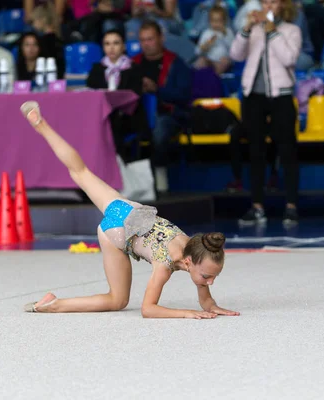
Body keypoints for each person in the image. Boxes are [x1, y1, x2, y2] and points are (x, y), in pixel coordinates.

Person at [20, 101, 239, 319]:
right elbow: (148, 309)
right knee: (117, 300)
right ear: (189, 262)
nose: (210, 282)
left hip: (128, 210)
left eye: (212, 278)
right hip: (115, 229)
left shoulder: (197, 247)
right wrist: (185, 313)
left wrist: (210, 304)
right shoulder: (165, 264)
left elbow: (204, 289)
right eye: (208, 277)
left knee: (81, 172)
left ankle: (41, 124)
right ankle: (55, 305)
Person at [229, 0, 301, 226]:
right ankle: (257, 206)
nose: (268, 6)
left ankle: (291, 206)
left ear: (282, 6)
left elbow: (289, 58)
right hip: (254, 97)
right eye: (265, 2)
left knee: (287, 149)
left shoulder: (291, 30)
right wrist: (246, 29)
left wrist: (273, 33)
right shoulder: (254, 30)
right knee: (255, 151)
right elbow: (235, 54)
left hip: (281, 95)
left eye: (274, 2)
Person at [132, 20, 192, 193]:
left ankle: (160, 178)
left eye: (150, 39)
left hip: (170, 114)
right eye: (143, 40)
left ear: (161, 38)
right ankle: (125, 182)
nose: (146, 44)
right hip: (138, 114)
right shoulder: (133, 63)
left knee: (159, 129)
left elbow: (183, 96)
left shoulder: (176, 63)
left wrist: (156, 89)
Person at [86, 29, 148, 162]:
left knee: (113, 122)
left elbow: (135, 96)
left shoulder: (133, 68)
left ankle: (117, 166)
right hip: (101, 115)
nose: (111, 48)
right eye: (107, 44)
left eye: (116, 43)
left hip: (127, 116)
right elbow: (91, 92)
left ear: (123, 46)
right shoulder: (97, 69)